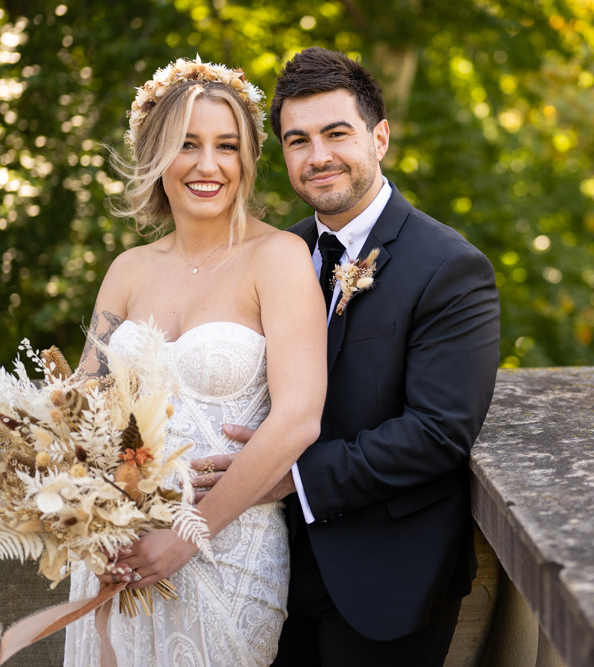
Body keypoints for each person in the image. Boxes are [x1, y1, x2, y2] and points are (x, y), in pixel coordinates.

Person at [196, 47, 500, 666]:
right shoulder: (282, 253)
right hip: (270, 567)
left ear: (379, 136)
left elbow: (439, 433)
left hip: (386, 577)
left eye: (337, 134)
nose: (319, 156)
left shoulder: (448, 267)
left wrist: (289, 476)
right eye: (298, 140)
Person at [63, 57, 327, 666]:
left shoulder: (280, 258)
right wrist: (90, 511)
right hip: (118, 549)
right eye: (187, 145)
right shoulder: (127, 270)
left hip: (227, 549)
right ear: (157, 156)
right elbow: (82, 405)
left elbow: (298, 419)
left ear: (247, 159)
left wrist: (187, 536)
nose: (208, 165)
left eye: (226, 146)